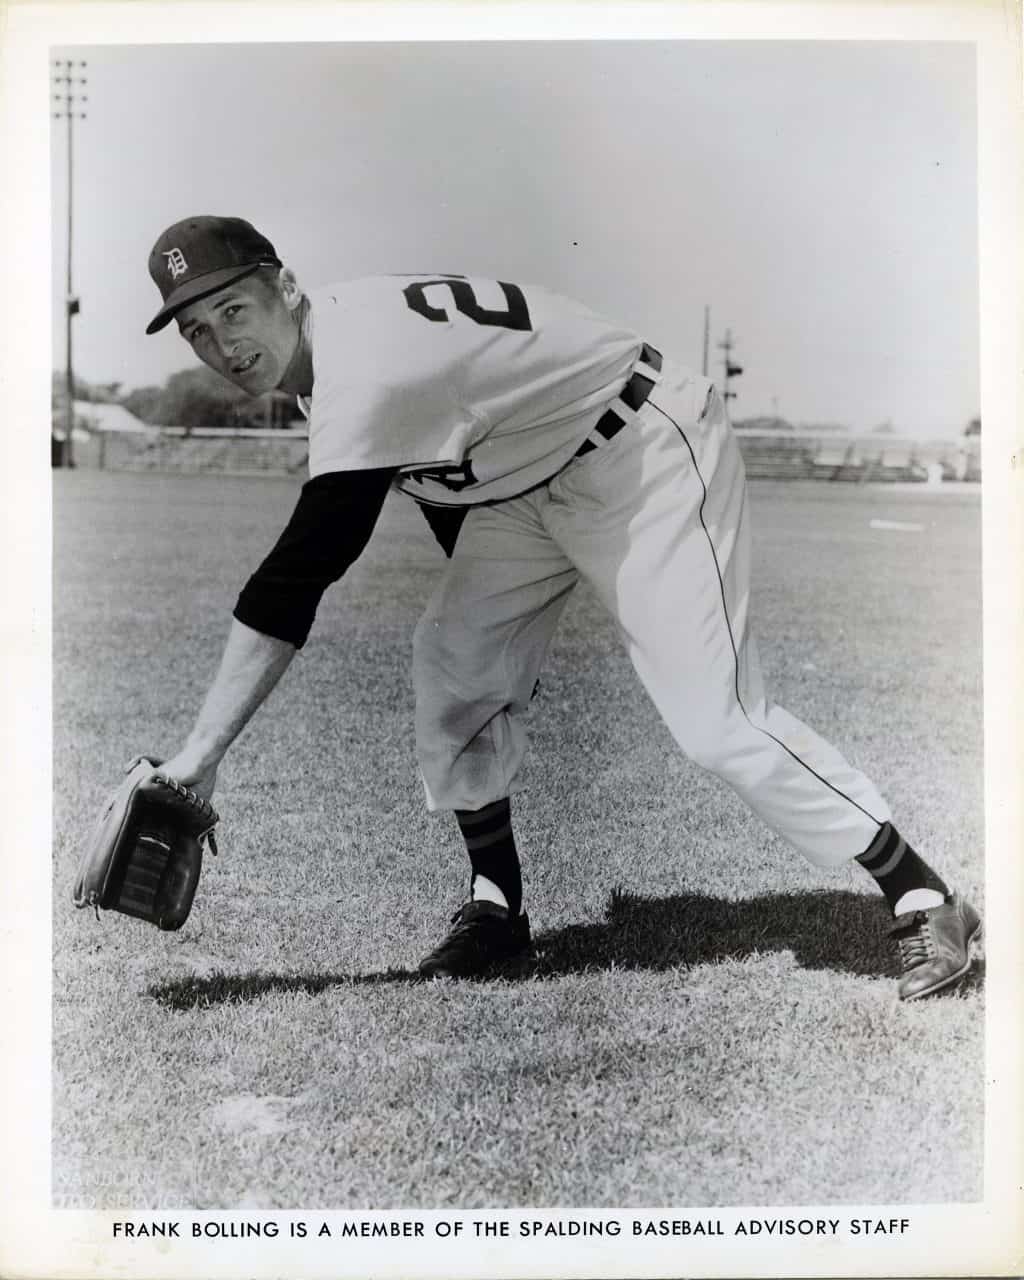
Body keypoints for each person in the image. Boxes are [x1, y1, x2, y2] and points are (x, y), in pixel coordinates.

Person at [144, 215, 980, 999]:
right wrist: (505, 633)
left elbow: (302, 570)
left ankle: (922, 895)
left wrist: (200, 756)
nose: (225, 342)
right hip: (525, 481)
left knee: (715, 722)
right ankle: (498, 913)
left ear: (286, 285)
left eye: (234, 308)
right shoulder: (327, 352)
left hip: (639, 449)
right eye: (199, 330)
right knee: (454, 665)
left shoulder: (365, 360)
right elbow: (445, 469)